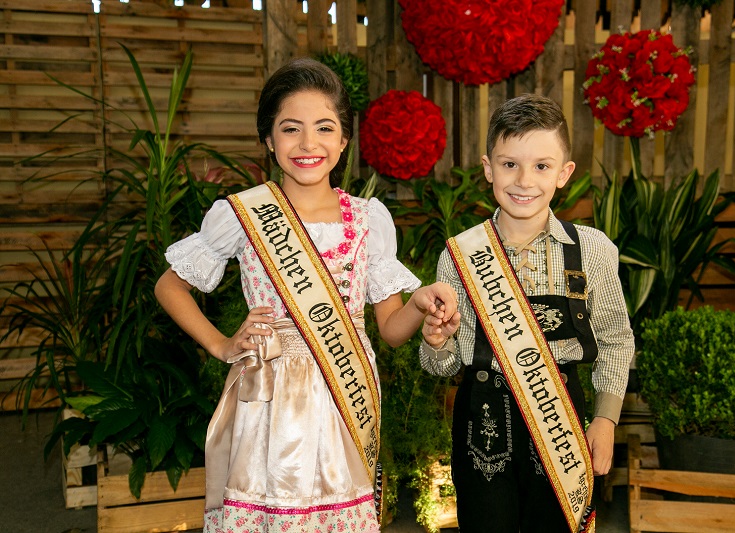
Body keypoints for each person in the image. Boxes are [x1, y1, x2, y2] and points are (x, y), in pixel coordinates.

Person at [155, 58, 457, 533]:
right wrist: (221, 345)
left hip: (346, 395)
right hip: (268, 397)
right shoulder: (244, 214)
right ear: (269, 140)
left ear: (343, 141)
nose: (308, 143)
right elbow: (170, 285)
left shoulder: (368, 220)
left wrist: (418, 304)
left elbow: (390, 332)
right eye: (290, 128)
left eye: (324, 128)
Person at [420, 93, 635, 533]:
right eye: (509, 164)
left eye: (541, 165)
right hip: (483, 420)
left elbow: (616, 340)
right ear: (487, 168)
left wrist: (606, 418)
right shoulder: (460, 254)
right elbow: (440, 365)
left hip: (562, 418)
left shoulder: (592, 250)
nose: (524, 180)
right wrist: (435, 340)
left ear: (564, 174)